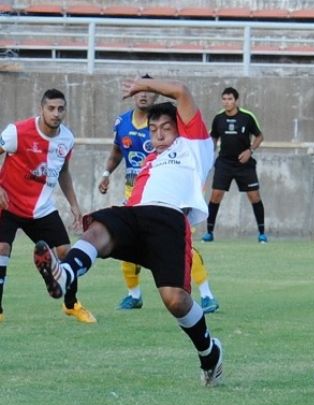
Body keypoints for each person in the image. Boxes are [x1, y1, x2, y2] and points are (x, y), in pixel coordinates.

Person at [33, 78, 224, 386]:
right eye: (153, 130)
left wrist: (145, 85)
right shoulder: (150, 161)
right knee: (98, 230)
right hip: (135, 214)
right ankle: (65, 275)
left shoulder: (193, 146)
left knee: (175, 300)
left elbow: (182, 93)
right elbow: (135, 197)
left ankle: (210, 354)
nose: (159, 135)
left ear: (181, 128)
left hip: (169, 221)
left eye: (166, 128)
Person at [99, 74, 220, 313]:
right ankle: (133, 294)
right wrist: (106, 173)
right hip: (136, 189)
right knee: (124, 244)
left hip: (171, 196)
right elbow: (116, 151)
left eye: (147, 90)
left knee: (181, 248)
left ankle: (205, 294)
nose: (143, 94)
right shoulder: (122, 122)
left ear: (155, 94)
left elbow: (182, 95)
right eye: (139, 90)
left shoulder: (175, 132)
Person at [0, 88, 96, 324]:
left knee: (66, 252)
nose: (56, 113)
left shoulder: (67, 139)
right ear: (41, 109)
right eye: (51, 108)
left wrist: (74, 204)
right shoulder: (17, 132)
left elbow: (64, 172)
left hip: (41, 208)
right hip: (8, 204)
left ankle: (71, 305)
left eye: (60, 109)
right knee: (2, 251)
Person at [202, 87, 267, 244]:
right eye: (224, 99)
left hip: (244, 164)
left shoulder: (247, 117)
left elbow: (259, 136)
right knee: (216, 195)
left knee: (254, 196)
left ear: (236, 101)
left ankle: (262, 233)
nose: (227, 102)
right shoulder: (218, 118)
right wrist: (208, 155)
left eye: (230, 99)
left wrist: (250, 151)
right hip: (224, 163)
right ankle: (209, 232)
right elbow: (213, 138)